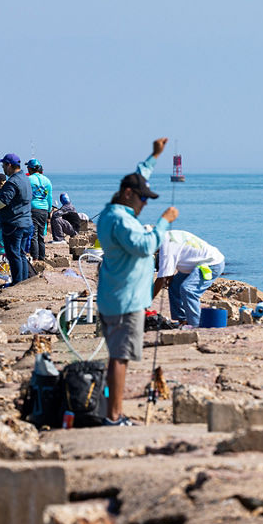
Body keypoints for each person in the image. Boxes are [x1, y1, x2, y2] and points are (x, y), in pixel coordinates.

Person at [96, 138, 179, 427]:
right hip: (125, 299)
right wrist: (165, 222)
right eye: (142, 198)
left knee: (116, 357)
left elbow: (139, 175)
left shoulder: (110, 212)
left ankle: (111, 411)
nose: (144, 204)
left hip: (112, 296)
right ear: (128, 194)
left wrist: (155, 156)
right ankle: (113, 416)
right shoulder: (123, 221)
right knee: (120, 359)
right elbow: (145, 246)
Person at [154, 230, 225, 328]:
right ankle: (183, 320)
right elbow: (168, 276)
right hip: (196, 263)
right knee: (174, 285)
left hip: (211, 263)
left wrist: (147, 301)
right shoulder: (168, 234)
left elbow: (162, 279)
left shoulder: (166, 249)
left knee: (188, 290)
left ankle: (195, 325)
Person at [0, 153, 33, 284]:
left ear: (9, 165)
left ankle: (17, 282)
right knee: (21, 254)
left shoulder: (12, 181)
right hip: (26, 223)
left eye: (3, 165)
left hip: (14, 224)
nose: (3, 168)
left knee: (13, 254)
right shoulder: (25, 178)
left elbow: (3, 203)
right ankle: (23, 281)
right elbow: (15, 196)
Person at [27, 159, 53, 262]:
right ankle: (42, 258)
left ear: (30, 168)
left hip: (33, 208)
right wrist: (49, 211)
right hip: (44, 209)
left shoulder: (28, 179)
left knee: (33, 235)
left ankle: (35, 258)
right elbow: (49, 198)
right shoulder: (47, 181)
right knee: (41, 235)